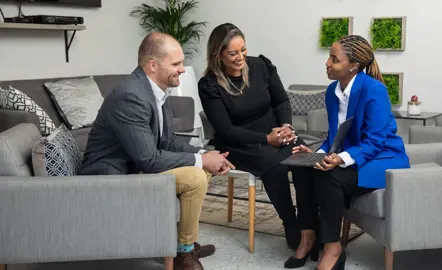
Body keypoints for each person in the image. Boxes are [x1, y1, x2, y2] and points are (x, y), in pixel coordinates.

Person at [80, 32, 235, 270]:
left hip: (132, 170)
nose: (183, 69)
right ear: (153, 65)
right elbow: (149, 160)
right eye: (176, 64)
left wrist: (206, 154)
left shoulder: (154, 91)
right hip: (109, 181)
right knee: (195, 175)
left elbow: (168, 142)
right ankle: (184, 253)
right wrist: (200, 160)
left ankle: (185, 246)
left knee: (201, 170)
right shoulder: (131, 95)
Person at [285, 35, 410, 270]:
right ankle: (308, 236)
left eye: (334, 59)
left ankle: (333, 248)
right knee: (303, 168)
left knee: (328, 175)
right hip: (356, 156)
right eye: (329, 57)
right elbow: (335, 137)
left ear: (353, 66)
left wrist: (339, 159)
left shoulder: (374, 90)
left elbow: (375, 141)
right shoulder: (333, 90)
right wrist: (316, 153)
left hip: (383, 159)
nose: (327, 63)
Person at [198, 22, 312, 251]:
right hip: (239, 142)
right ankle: (290, 223)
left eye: (243, 50)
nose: (240, 57)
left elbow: (281, 101)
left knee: (304, 158)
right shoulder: (209, 85)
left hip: (274, 132)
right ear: (218, 54)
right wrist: (266, 139)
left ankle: (308, 223)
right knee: (276, 167)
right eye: (233, 53)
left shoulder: (261, 66)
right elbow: (226, 129)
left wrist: (286, 126)